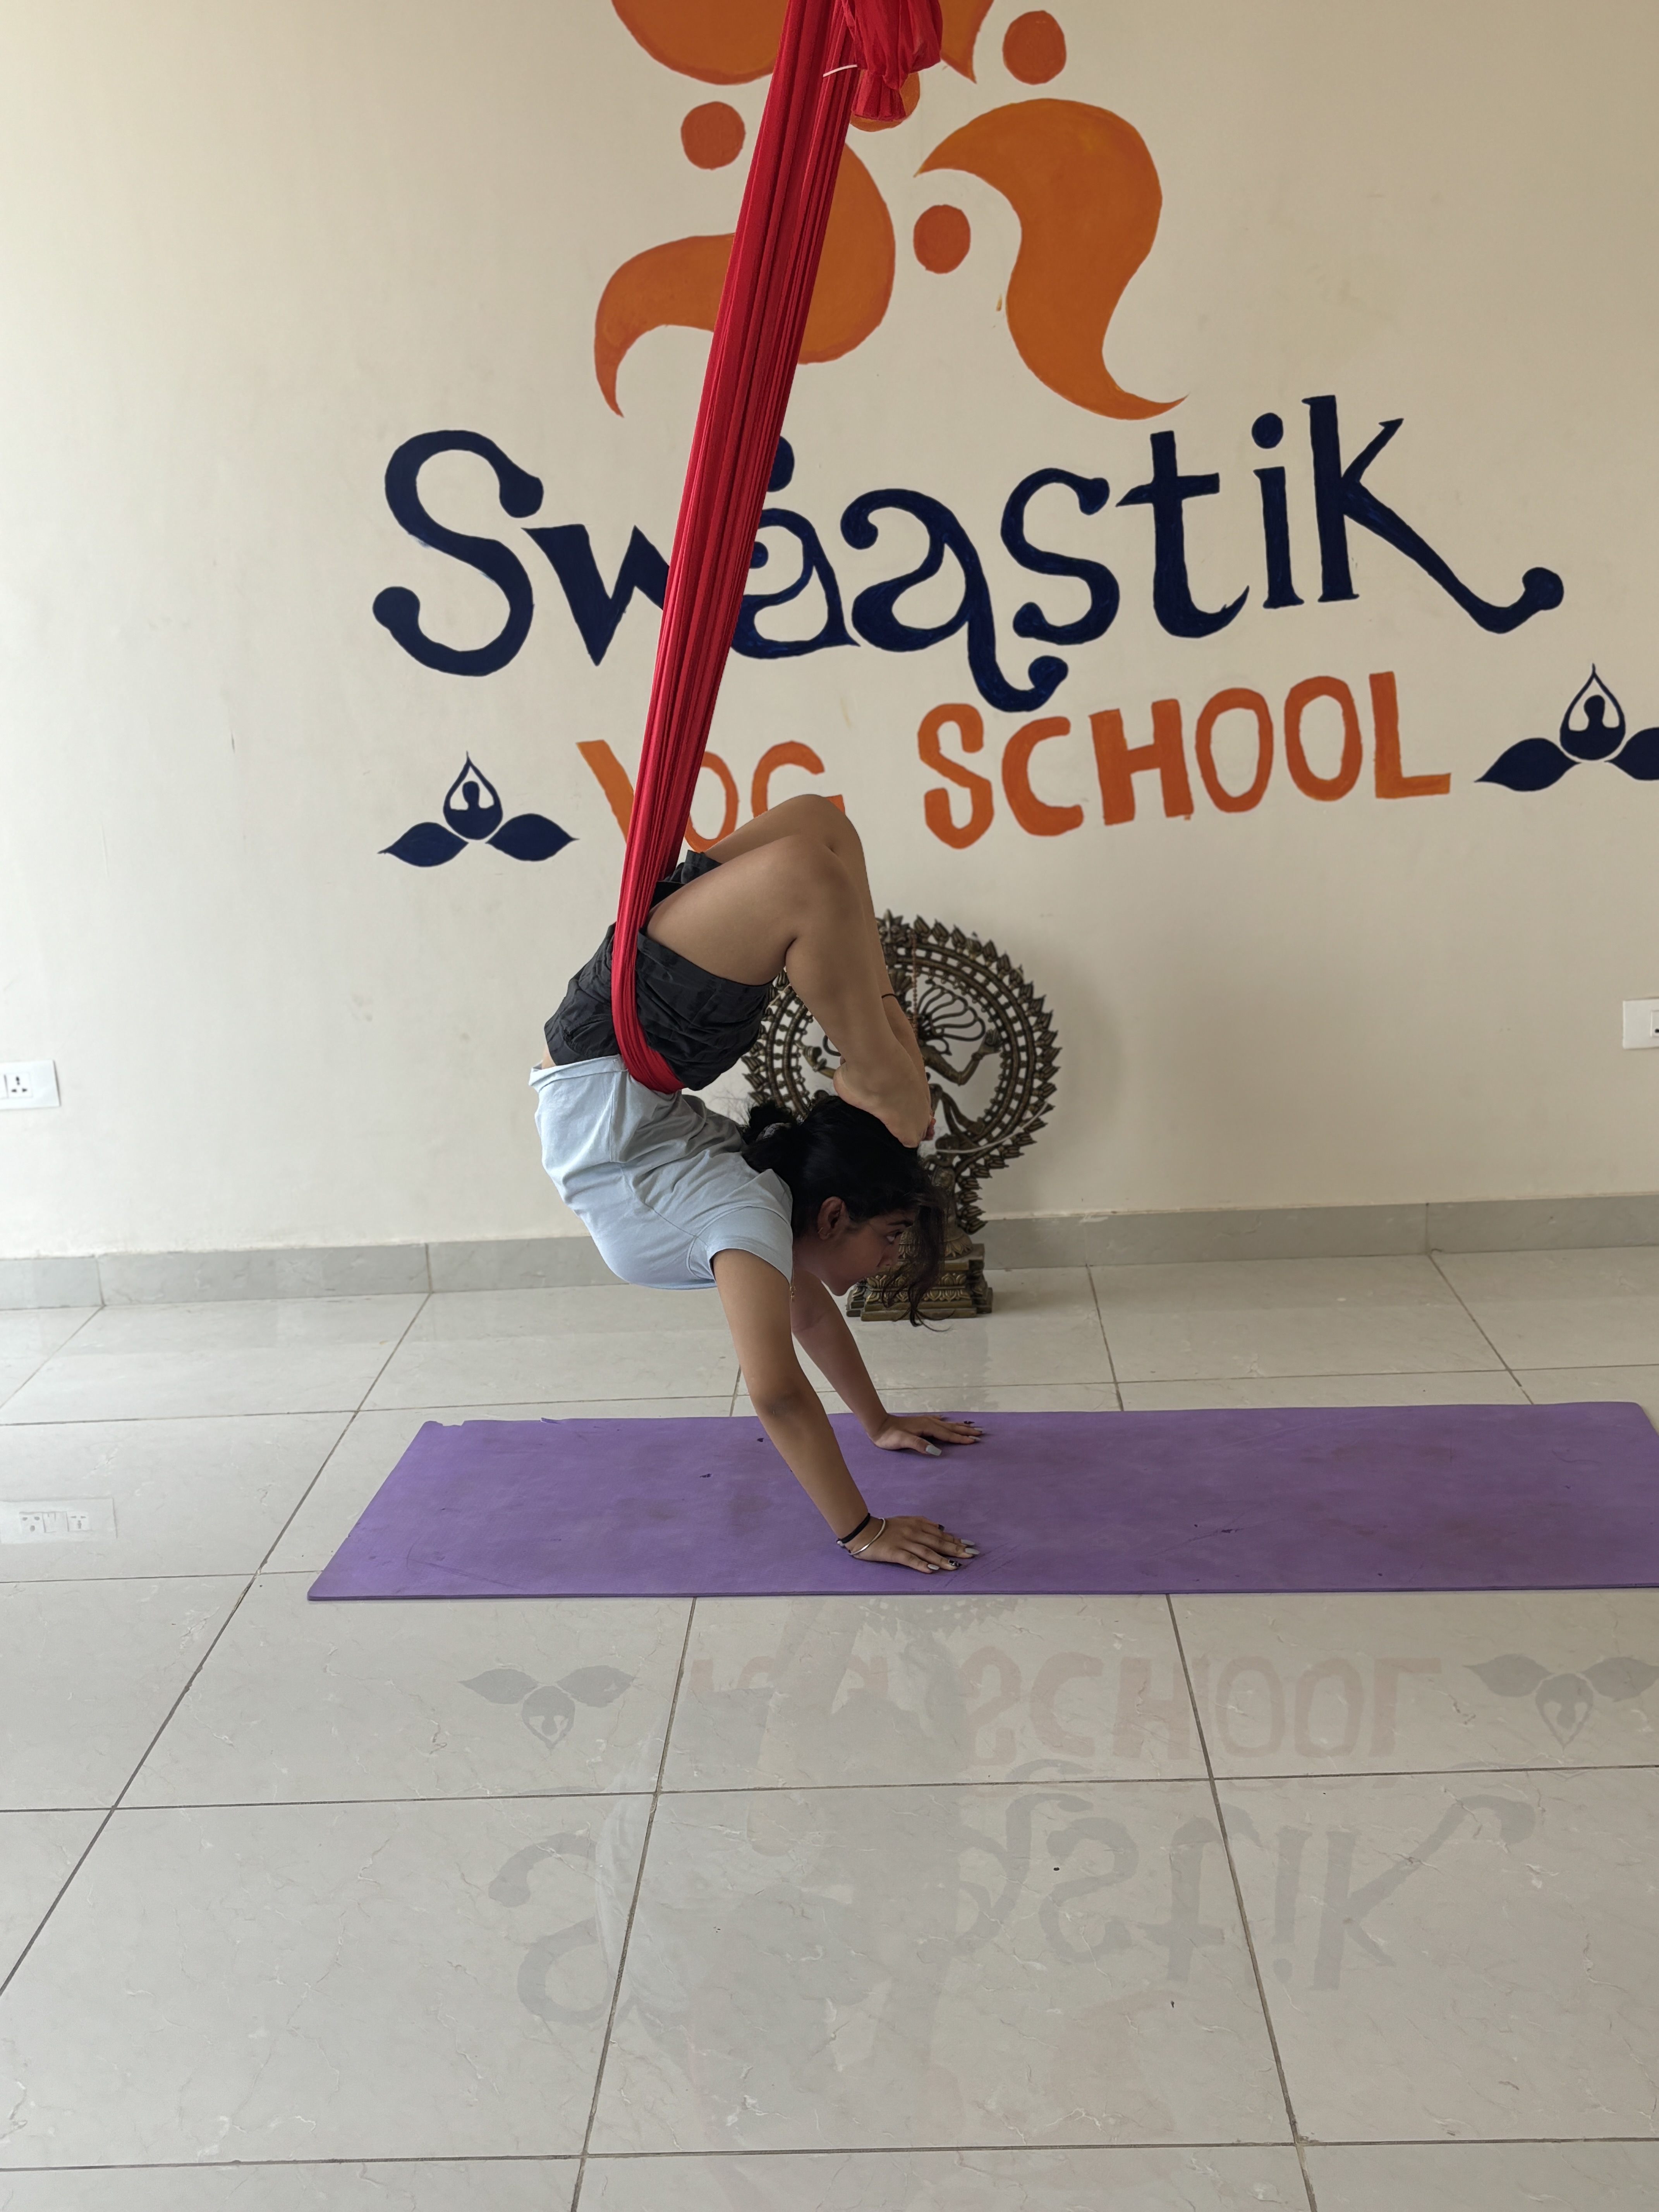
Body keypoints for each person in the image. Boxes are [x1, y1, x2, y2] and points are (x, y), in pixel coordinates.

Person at [531, 795, 980, 1573]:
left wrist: (876, 1423)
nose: (890, 1260)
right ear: (832, 1215)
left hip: (628, 1041)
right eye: (891, 1236)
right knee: (821, 829)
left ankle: (880, 1047)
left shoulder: (753, 1214)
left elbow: (800, 1334)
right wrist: (863, 1527)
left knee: (809, 867)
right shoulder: (757, 1206)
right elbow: (781, 1383)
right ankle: (877, 1048)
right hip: (623, 1043)